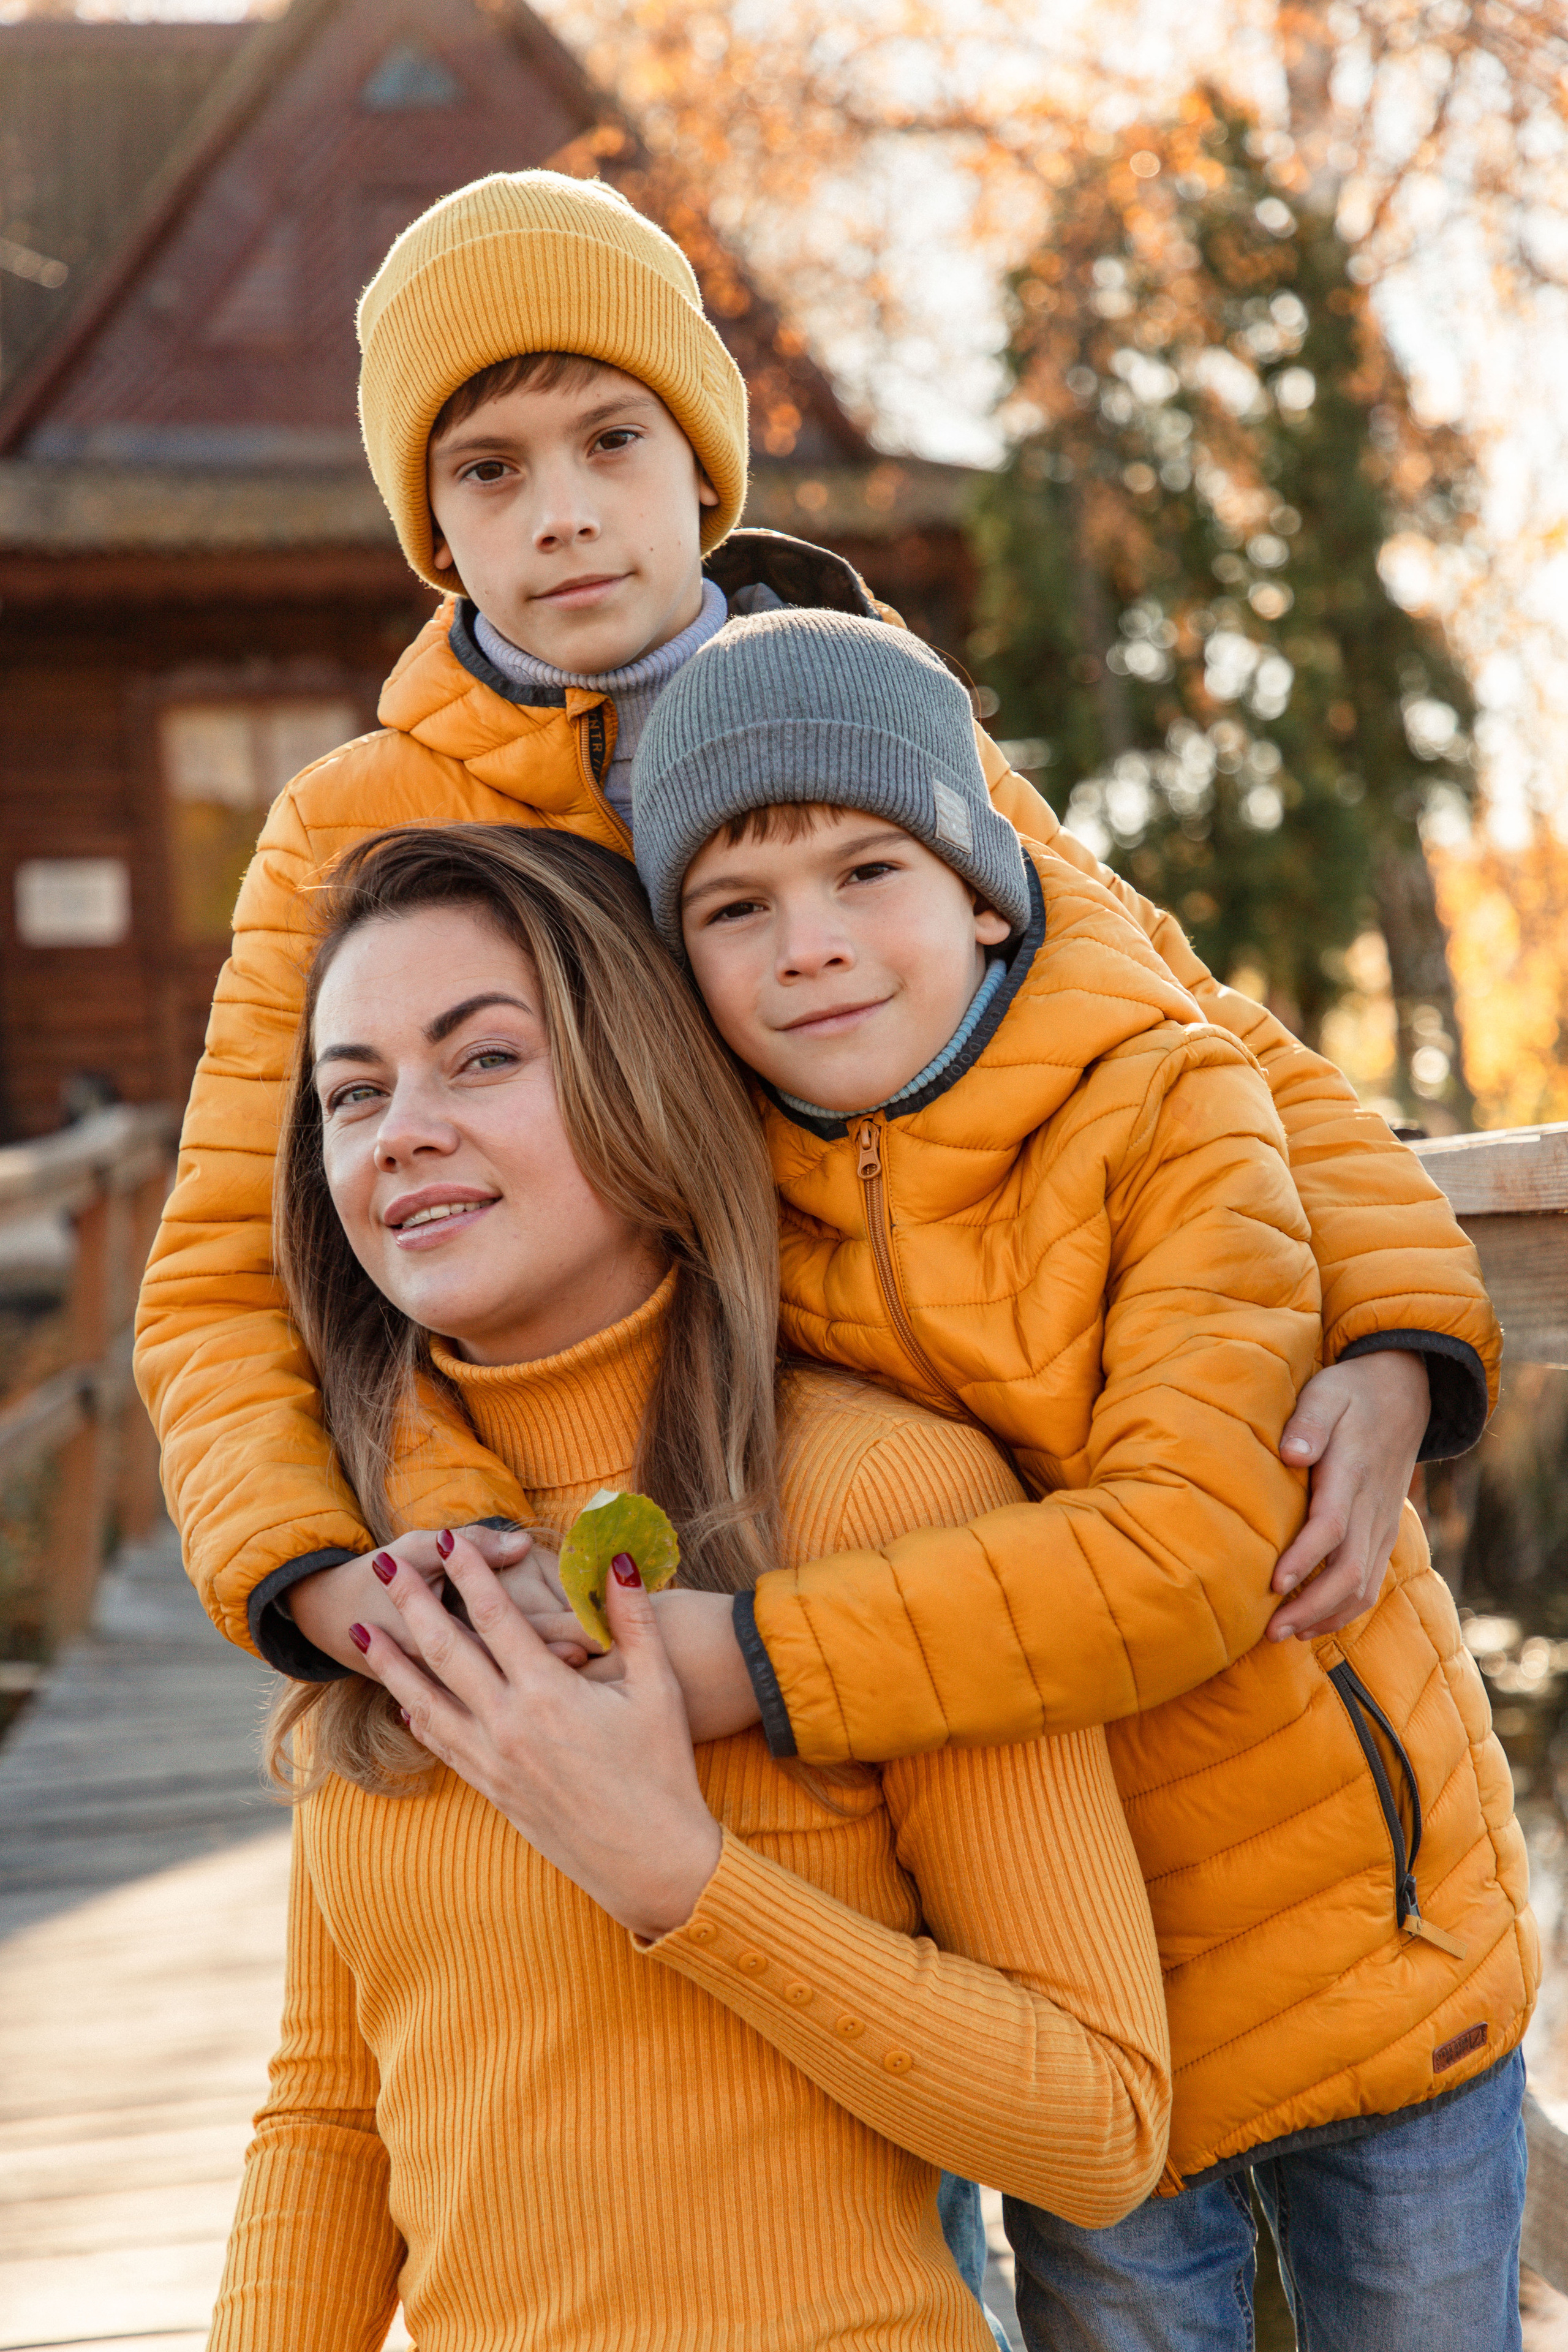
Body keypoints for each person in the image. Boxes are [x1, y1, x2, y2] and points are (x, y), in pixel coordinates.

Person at [138, 167, 1495, 1706]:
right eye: (489, 470)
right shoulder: (352, 826)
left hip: (1010, 1492)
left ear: (699, 462)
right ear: (434, 527)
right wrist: (328, 1577)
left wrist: (1395, 1339)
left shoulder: (862, 709)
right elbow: (222, 1273)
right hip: (618, 1545)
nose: (562, 512)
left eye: (610, 439)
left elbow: (1191, 1024)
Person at [612, 605, 1532, 2352]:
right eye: (734, 908)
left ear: (983, 886)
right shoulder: (726, 1217)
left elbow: (1190, 1555)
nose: (809, 945)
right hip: (1081, 2012)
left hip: (1365, 1943)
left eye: (864, 871)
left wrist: (755, 1660)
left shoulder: (1166, 1111)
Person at [209, 821, 1170, 2350]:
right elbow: (332, 2115)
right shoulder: (366, 1557)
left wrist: (680, 1879)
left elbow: (1098, 2124)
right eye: (353, 1093)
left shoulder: (878, 1498)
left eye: (482, 1059)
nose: (400, 1133)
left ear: (642, 1074)